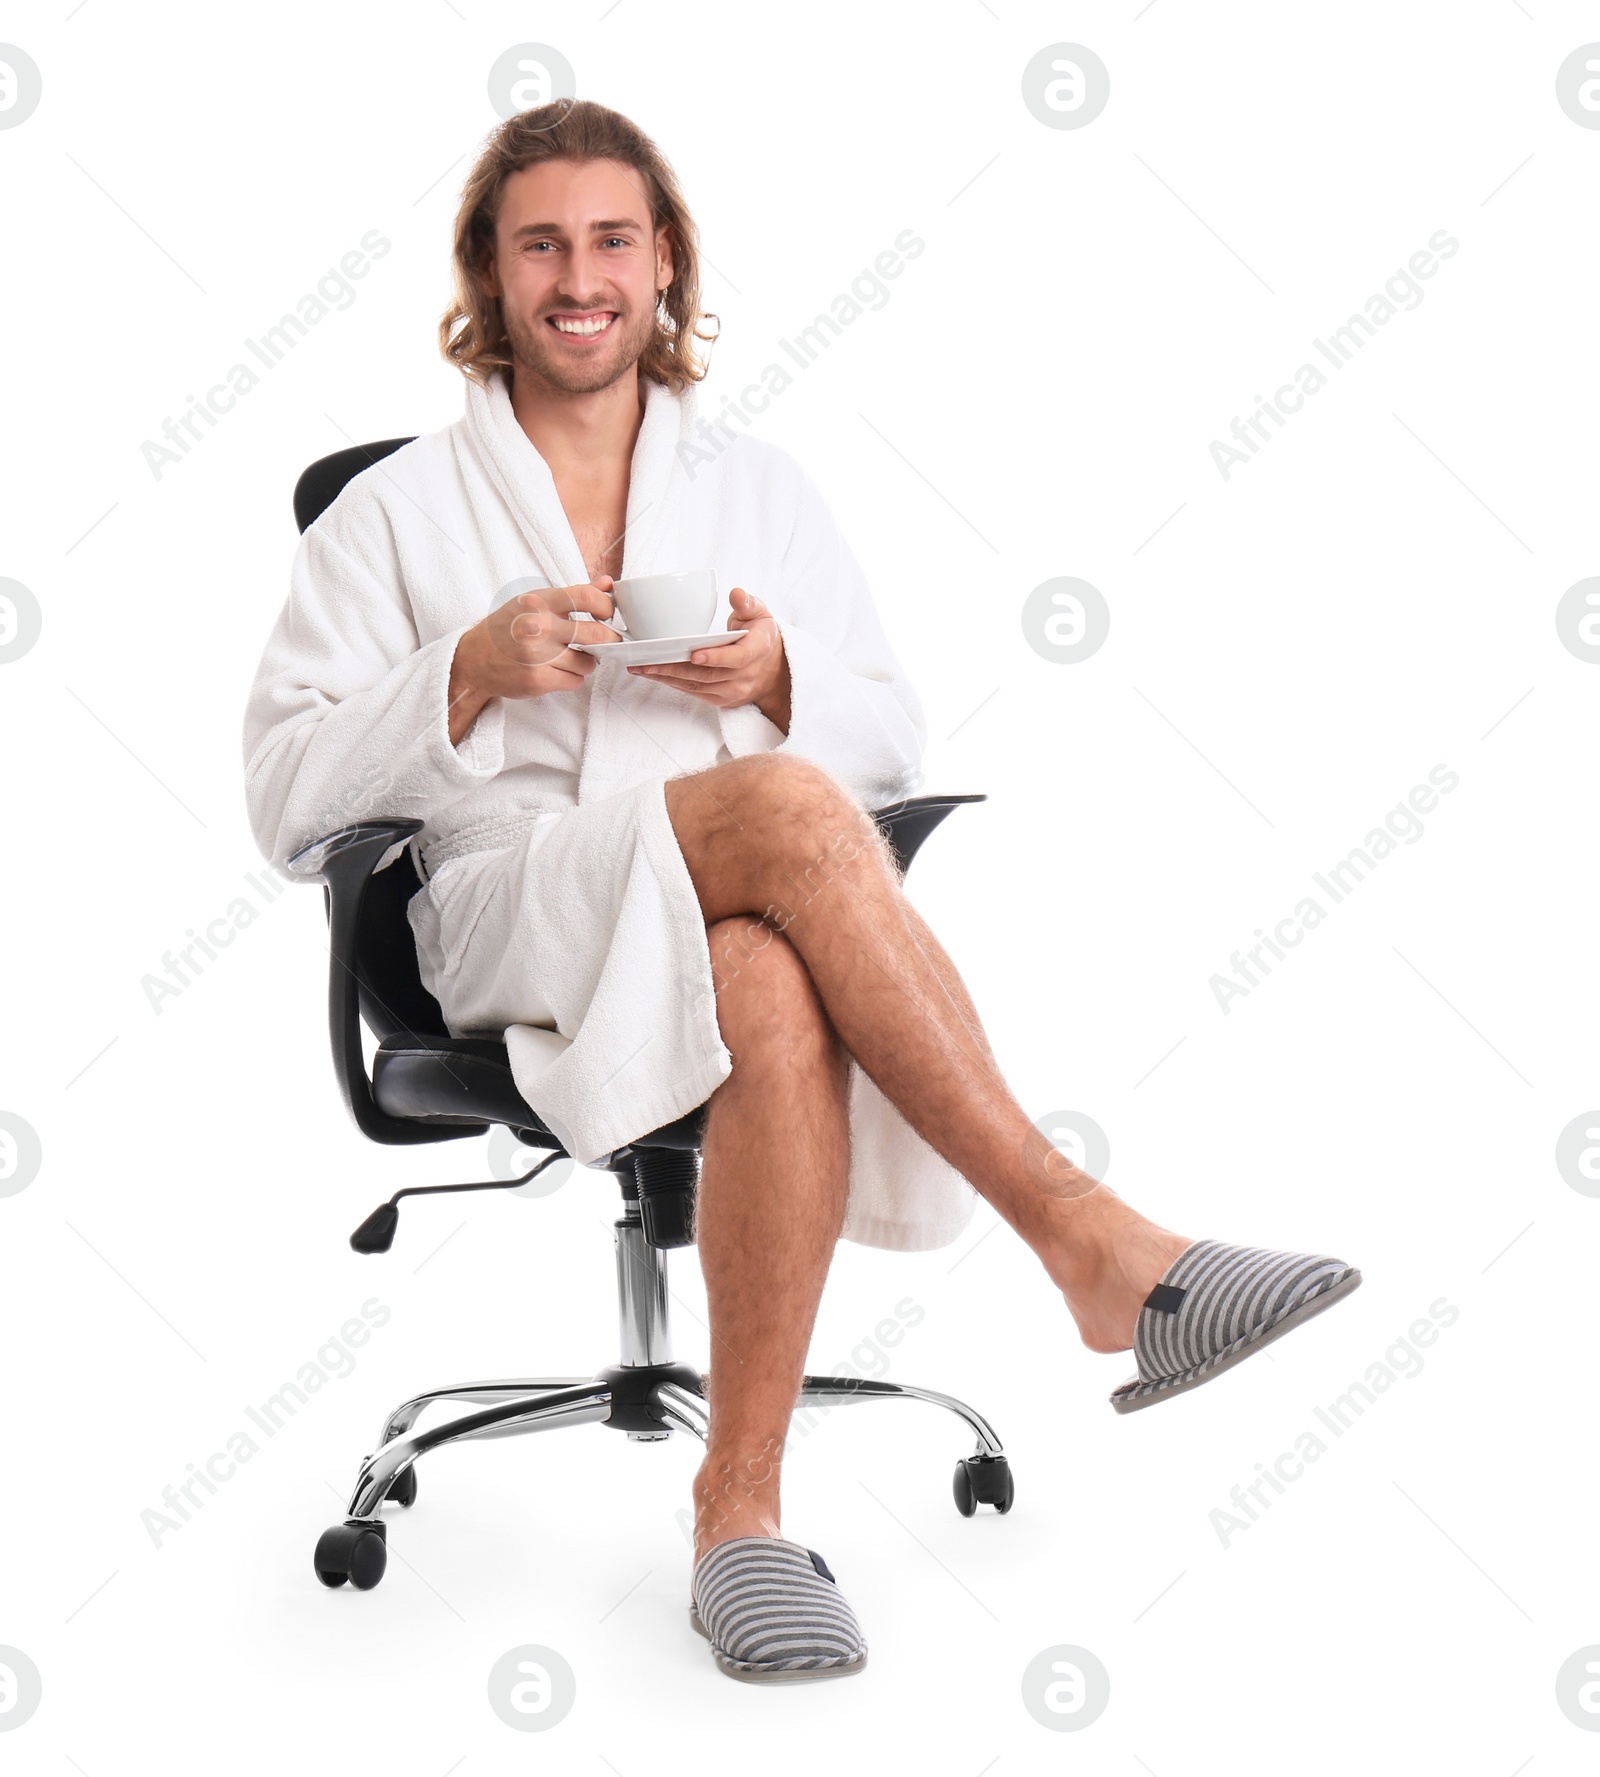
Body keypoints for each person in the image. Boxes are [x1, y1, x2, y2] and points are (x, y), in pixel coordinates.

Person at [243, 98, 1361, 1685]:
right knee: (776, 807)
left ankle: (741, 1516)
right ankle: (1088, 1240)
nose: (581, 275)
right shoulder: (393, 513)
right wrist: (464, 676)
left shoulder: (759, 487)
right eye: (540, 242)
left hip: (716, 905)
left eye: (613, 239)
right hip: (503, 915)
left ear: (665, 261)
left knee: (767, 966)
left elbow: (891, 738)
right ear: (487, 277)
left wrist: (781, 677)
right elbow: (284, 802)